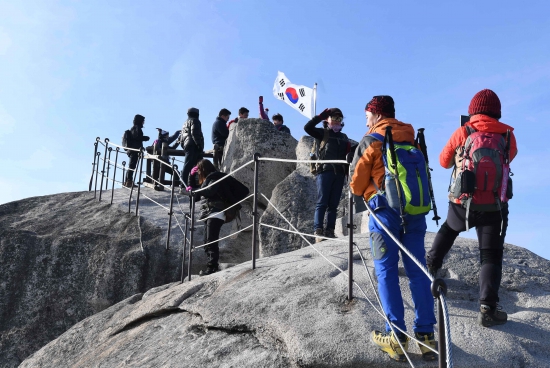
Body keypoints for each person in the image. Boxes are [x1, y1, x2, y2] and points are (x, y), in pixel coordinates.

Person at [350, 96, 436, 362]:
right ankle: (426, 336)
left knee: (386, 271)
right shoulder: (411, 138)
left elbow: (355, 185)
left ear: (375, 114)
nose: (365, 121)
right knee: (418, 271)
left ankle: (396, 336)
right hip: (415, 214)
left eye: (367, 116)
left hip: (384, 214)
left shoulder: (371, 140)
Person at [426, 89, 517, 328]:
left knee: (448, 229)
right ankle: (487, 308)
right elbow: (510, 158)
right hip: (494, 206)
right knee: (491, 255)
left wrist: (461, 156)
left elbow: (443, 161)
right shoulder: (507, 134)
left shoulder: (464, 131)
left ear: (472, 111)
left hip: (463, 202)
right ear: (497, 112)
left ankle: (431, 266)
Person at [304, 107, 350, 242]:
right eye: (334, 118)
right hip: (325, 171)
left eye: (339, 119)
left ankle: (330, 231)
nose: (337, 121)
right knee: (322, 202)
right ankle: (318, 230)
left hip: (340, 173)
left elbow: (352, 149)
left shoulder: (344, 137)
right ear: (328, 120)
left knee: (334, 205)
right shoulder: (322, 133)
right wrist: (319, 117)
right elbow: (307, 128)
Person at [188, 159, 234, 275]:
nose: (198, 174)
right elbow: (197, 196)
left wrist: (195, 189)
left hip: (216, 212)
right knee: (206, 241)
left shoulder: (214, 178)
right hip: (209, 213)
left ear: (203, 169)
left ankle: (212, 267)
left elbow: (209, 192)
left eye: (198, 171)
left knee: (211, 241)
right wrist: (190, 177)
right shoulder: (207, 180)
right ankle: (211, 266)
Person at [179, 107, 204, 190]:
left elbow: (181, 137)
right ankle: (184, 183)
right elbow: (195, 133)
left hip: (187, 145)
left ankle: (189, 183)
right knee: (190, 164)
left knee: (189, 164)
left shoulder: (184, 123)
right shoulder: (195, 121)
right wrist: (199, 145)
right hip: (193, 145)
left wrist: (184, 145)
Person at [124, 114, 150, 188]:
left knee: (131, 165)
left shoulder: (133, 128)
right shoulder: (137, 128)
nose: (143, 122)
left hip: (132, 150)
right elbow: (137, 137)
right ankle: (129, 181)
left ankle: (127, 181)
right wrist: (146, 138)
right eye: (143, 121)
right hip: (134, 150)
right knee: (132, 165)